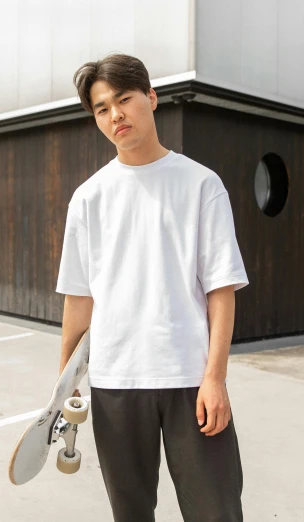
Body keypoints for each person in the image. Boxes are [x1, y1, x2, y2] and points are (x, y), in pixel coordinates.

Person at [55, 52, 248, 522]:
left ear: (151, 98)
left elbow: (220, 290)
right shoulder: (88, 198)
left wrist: (215, 377)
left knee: (216, 511)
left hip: (190, 380)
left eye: (123, 99)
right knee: (131, 513)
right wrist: (63, 385)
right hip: (116, 383)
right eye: (101, 108)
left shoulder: (201, 184)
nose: (115, 115)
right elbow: (80, 299)